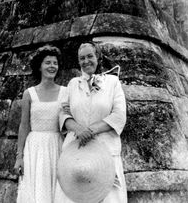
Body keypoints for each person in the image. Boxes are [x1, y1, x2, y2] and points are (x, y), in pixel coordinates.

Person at [55, 42, 127, 203]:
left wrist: (91, 130)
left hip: (105, 151)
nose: (86, 61)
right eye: (82, 58)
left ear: (98, 57)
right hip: (76, 152)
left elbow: (119, 115)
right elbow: (63, 112)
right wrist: (77, 129)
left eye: (90, 56)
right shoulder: (73, 84)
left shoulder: (112, 83)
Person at [14, 45, 66, 203]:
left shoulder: (66, 92)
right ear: (39, 66)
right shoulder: (29, 94)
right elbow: (24, 126)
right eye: (47, 62)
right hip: (34, 149)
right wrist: (19, 157)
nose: (52, 66)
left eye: (55, 63)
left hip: (57, 146)